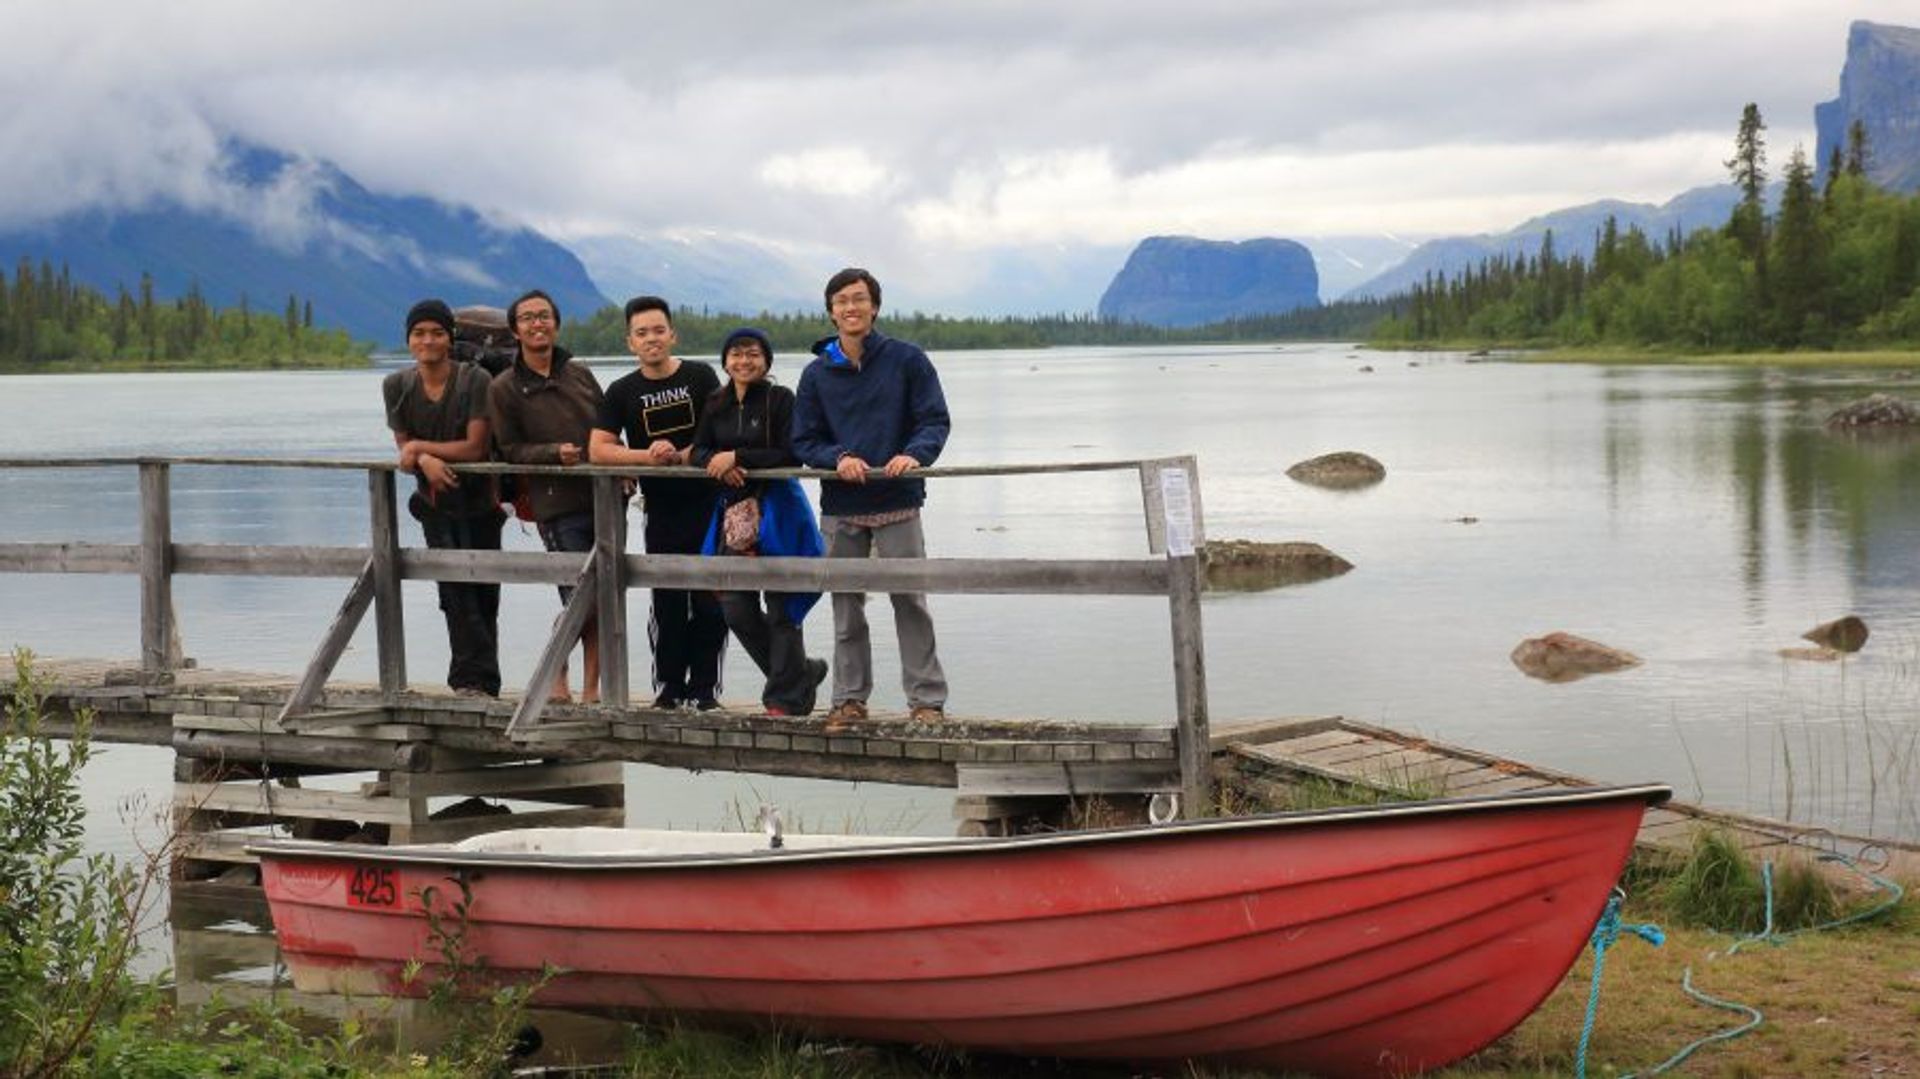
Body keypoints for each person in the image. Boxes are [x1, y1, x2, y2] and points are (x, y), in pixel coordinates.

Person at [791, 268, 952, 732]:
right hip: (842, 503)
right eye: (841, 301)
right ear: (831, 312)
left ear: (875, 307)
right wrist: (836, 457)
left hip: (898, 496)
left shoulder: (907, 360)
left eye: (859, 299)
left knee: (910, 600)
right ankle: (848, 700)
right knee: (845, 605)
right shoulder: (817, 374)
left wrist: (914, 455)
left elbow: (934, 420)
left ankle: (926, 700)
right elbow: (804, 438)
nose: (851, 307)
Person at [590, 296, 727, 711]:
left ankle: (705, 690)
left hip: (709, 506)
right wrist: (645, 456)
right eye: (642, 333)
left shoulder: (700, 377)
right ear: (630, 342)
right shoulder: (622, 391)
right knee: (667, 601)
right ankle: (668, 687)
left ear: (672, 334)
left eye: (658, 330)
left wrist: (686, 455)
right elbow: (598, 449)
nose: (652, 339)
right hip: (662, 509)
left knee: (711, 599)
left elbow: (722, 430)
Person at [690, 328, 829, 717]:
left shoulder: (780, 399)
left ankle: (782, 701)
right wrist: (716, 464)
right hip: (734, 518)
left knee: (783, 608)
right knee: (735, 605)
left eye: (753, 354)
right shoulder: (715, 402)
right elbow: (698, 451)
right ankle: (802, 675)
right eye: (736, 354)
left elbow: (791, 453)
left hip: (779, 511)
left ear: (766, 360)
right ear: (725, 361)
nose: (744, 361)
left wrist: (737, 457)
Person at [383, 299, 506, 697]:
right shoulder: (397, 386)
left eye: (437, 332)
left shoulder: (474, 381)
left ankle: (481, 681)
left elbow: (474, 447)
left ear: (450, 338)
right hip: (434, 502)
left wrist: (421, 449)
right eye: (419, 333)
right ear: (408, 340)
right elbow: (404, 452)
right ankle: (469, 681)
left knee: (482, 590)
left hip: (481, 502)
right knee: (452, 592)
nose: (428, 340)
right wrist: (422, 458)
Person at [487, 289, 605, 703]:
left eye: (544, 316)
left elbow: (607, 429)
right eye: (527, 318)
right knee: (580, 600)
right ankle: (556, 668)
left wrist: (623, 468)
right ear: (514, 330)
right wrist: (553, 453)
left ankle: (593, 690)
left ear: (556, 322)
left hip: (605, 499)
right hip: (554, 504)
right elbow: (507, 450)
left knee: (604, 598)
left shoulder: (580, 373)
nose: (537, 324)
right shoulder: (504, 387)